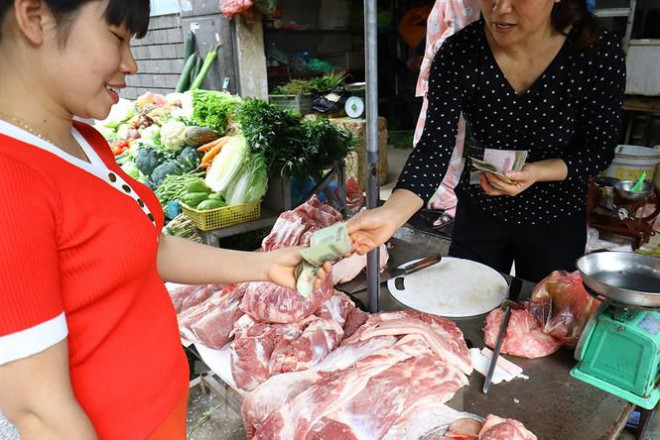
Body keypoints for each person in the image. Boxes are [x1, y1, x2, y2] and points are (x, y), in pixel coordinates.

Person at [0, 1, 331, 439]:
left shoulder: (85, 141)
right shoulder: (10, 180)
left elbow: (144, 246)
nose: (131, 64)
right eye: (117, 37)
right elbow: (40, 412)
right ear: (34, 17)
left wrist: (264, 266)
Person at [349, 0, 626, 283]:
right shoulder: (460, 52)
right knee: (468, 299)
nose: (501, 8)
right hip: (482, 209)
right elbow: (433, 149)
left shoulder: (594, 50)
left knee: (546, 306)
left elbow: (597, 149)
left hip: (557, 215)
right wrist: (391, 215)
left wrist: (536, 172)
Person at [414, 0, 480, 227]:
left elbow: (458, 34)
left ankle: (452, 200)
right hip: (453, 74)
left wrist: (430, 58)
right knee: (450, 141)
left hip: (450, 77)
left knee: (437, 141)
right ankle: (447, 197)